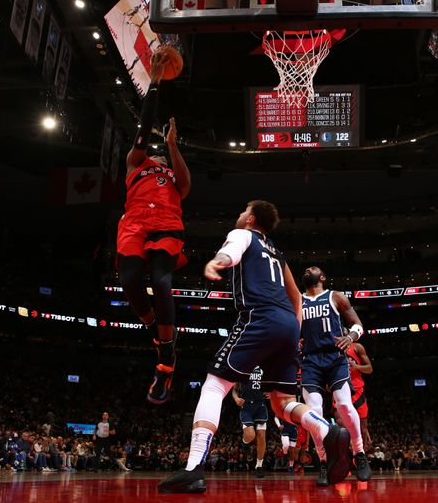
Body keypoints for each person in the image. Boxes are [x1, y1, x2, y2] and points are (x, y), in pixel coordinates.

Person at [158, 201, 350, 493]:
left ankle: (193, 468)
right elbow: (296, 296)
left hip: (260, 317)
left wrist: (217, 262)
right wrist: (293, 331)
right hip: (287, 325)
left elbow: (231, 252)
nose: (238, 215)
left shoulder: (243, 234)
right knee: (282, 402)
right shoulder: (277, 252)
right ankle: (326, 429)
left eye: (242, 211)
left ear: (250, 218)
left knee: (214, 385)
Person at [117, 49, 191, 404]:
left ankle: (166, 359)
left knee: (161, 282)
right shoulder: (137, 161)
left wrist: (174, 145)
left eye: (163, 154)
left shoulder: (171, 174)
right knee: (129, 280)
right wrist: (156, 80)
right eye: (159, 151)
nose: (159, 155)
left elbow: (187, 184)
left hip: (166, 223)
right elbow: (144, 127)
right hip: (134, 222)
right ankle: (155, 330)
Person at [300, 266, 371, 484]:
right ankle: (324, 462)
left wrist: (350, 336)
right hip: (310, 360)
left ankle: (359, 454)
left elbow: (358, 324)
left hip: (334, 358)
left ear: (322, 277)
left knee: (343, 405)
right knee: (314, 412)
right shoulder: (297, 301)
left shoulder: (335, 296)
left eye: (314, 268)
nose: (308, 269)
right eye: (306, 268)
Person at [231, 367, 268, 477]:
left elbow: (273, 386)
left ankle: (259, 466)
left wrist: (271, 393)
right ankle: (244, 443)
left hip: (260, 405)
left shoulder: (265, 367)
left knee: (261, 435)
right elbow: (234, 389)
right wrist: (236, 398)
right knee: (251, 435)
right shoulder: (243, 366)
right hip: (246, 406)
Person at [337, 340, 373, 451]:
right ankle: (345, 455)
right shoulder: (332, 348)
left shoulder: (357, 347)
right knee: (341, 425)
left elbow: (369, 369)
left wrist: (356, 366)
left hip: (357, 391)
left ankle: (361, 454)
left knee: (363, 428)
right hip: (340, 389)